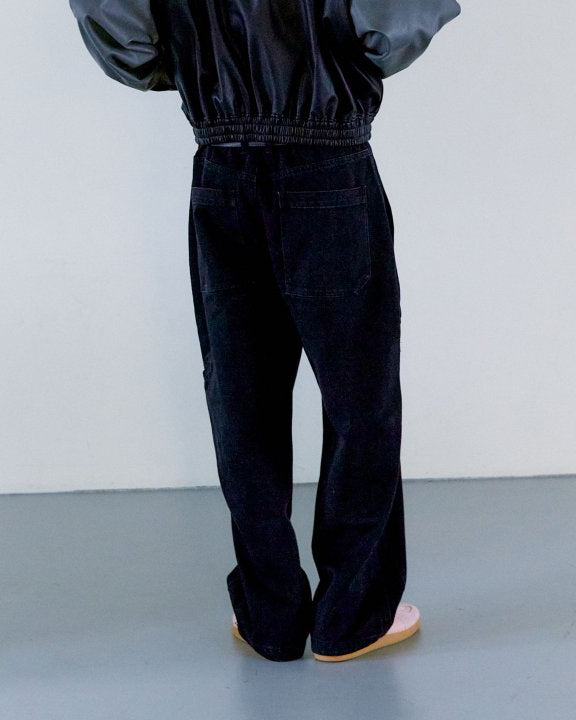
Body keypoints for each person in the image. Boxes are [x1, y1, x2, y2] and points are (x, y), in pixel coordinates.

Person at [68, 0, 462, 663]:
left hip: (222, 166)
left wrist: (194, 62)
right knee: (360, 398)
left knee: (241, 398)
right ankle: (353, 617)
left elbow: (121, 26)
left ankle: (269, 615)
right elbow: (394, 24)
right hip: (329, 162)